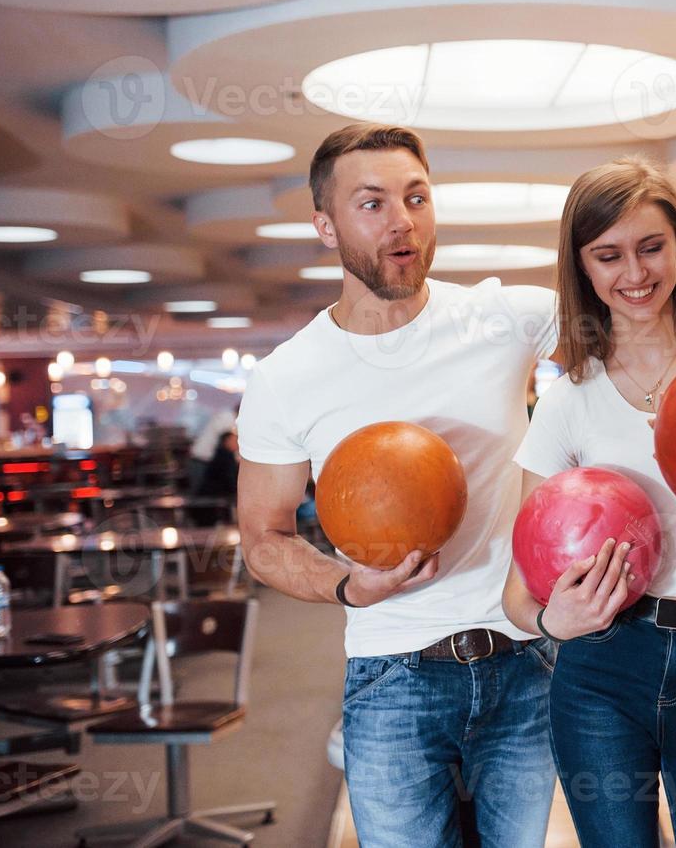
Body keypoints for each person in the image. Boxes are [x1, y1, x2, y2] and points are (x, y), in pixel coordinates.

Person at [237, 123, 558, 848]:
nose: (403, 220)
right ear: (325, 224)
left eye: (416, 197)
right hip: (393, 678)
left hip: (524, 663)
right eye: (372, 203)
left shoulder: (506, 318)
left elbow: (638, 336)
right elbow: (263, 537)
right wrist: (348, 587)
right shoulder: (287, 377)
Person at [501, 157, 676, 848]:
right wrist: (556, 619)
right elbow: (519, 595)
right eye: (608, 255)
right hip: (604, 667)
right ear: (581, 268)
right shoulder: (569, 401)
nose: (634, 274)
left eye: (651, 248)